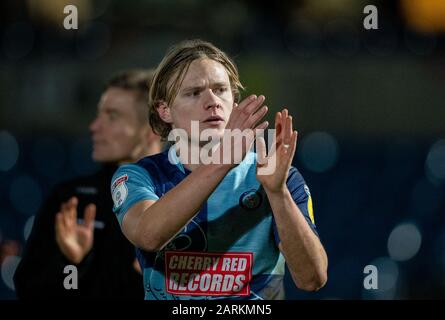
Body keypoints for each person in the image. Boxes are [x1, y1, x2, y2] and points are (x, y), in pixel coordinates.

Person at [111, 40, 328, 300]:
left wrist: (278, 193)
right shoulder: (139, 176)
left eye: (221, 90)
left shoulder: (277, 176)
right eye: (194, 93)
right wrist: (223, 159)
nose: (212, 102)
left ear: (234, 101)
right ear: (165, 110)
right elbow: (148, 235)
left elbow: (312, 279)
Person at [14, 69, 162, 299]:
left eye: (112, 116)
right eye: (98, 115)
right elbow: (30, 290)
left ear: (152, 131)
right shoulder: (71, 199)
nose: (94, 126)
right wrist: (71, 263)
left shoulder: (183, 199)